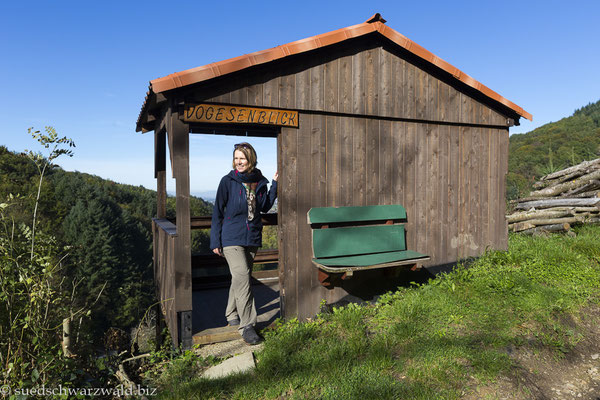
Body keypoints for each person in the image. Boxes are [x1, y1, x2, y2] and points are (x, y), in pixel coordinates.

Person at [210, 142, 278, 345]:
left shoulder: (259, 181)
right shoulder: (227, 181)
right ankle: (247, 325)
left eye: (242, 158)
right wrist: (215, 239)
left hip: (252, 237)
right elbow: (217, 212)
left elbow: (264, 207)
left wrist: (275, 185)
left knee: (241, 278)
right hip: (231, 238)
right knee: (243, 278)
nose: (238, 162)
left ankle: (231, 314)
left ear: (251, 160)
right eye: (236, 158)